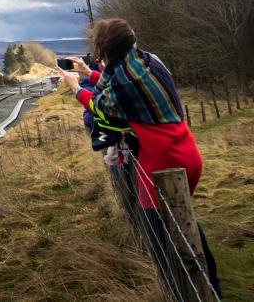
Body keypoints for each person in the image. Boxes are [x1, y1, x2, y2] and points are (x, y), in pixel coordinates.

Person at [60, 18, 220, 296]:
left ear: (106, 51)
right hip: (186, 151)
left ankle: (183, 291)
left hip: (161, 164)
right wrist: (89, 73)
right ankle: (210, 287)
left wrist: (76, 86)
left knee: (164, 235)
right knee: (185, 225)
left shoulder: (123, 84)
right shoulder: (148, 61)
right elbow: (118, 82)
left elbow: (100, 106)